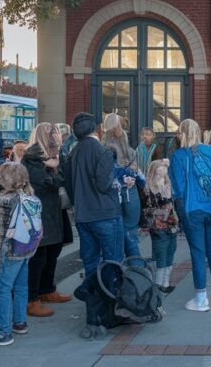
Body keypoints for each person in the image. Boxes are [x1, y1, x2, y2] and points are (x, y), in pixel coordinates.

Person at [64, 112, 124, 339]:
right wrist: (117, 184)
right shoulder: (103, 152)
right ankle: (108, 313)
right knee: (111, 263)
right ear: (95, 130)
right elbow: (103, 184)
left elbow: (69, 186)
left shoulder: (72, 153)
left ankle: (92, 313)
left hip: (83, 216)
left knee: (90, 264)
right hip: (106, 214)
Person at [0, 163, 39, 348]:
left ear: (8, 180)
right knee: (21, 286)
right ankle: (19, 322)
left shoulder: (4, 199)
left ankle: (4, 332)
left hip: (10, 250)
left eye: (1, 177)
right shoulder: (30, 195)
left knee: (2, 288)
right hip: (26, 249)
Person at [171, 119, 211, 311]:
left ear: (182, 134)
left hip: (193, 208)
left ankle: (201, 298)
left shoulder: (178, 156)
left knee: (197, 251)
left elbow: (178, 187)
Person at [22, 122, 73, 318]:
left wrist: (58, 164)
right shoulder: (33, 156)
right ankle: (32, 299)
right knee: (39, 256)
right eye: (56, 133)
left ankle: (47, 289)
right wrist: (54, 167)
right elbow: (44, 183)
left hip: (53, 210)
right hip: (39, 211)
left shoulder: (55, 154)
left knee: (53, 251)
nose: (60, 136)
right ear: (48, 136)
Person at [102, 113, 143, 260]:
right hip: (129, 192)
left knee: (115, 234)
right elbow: (135, 170)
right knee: (130, 232)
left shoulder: (102, 148)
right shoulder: (129, 150)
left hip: (113, 194)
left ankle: (114, 270)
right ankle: (136, 270)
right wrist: (131, 177)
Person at [142, 159, 178, 294]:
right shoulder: (148, 189)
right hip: (158, 228)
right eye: (159, 171)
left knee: (170, 253)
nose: (163, 173)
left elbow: (171, 205)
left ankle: (166, 283)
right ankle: (158, 286)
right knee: (160, 257)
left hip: (171, 226)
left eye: (164, 170)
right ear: (153, 172)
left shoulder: (167, 185)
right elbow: (147, 211)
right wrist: (164, 214)